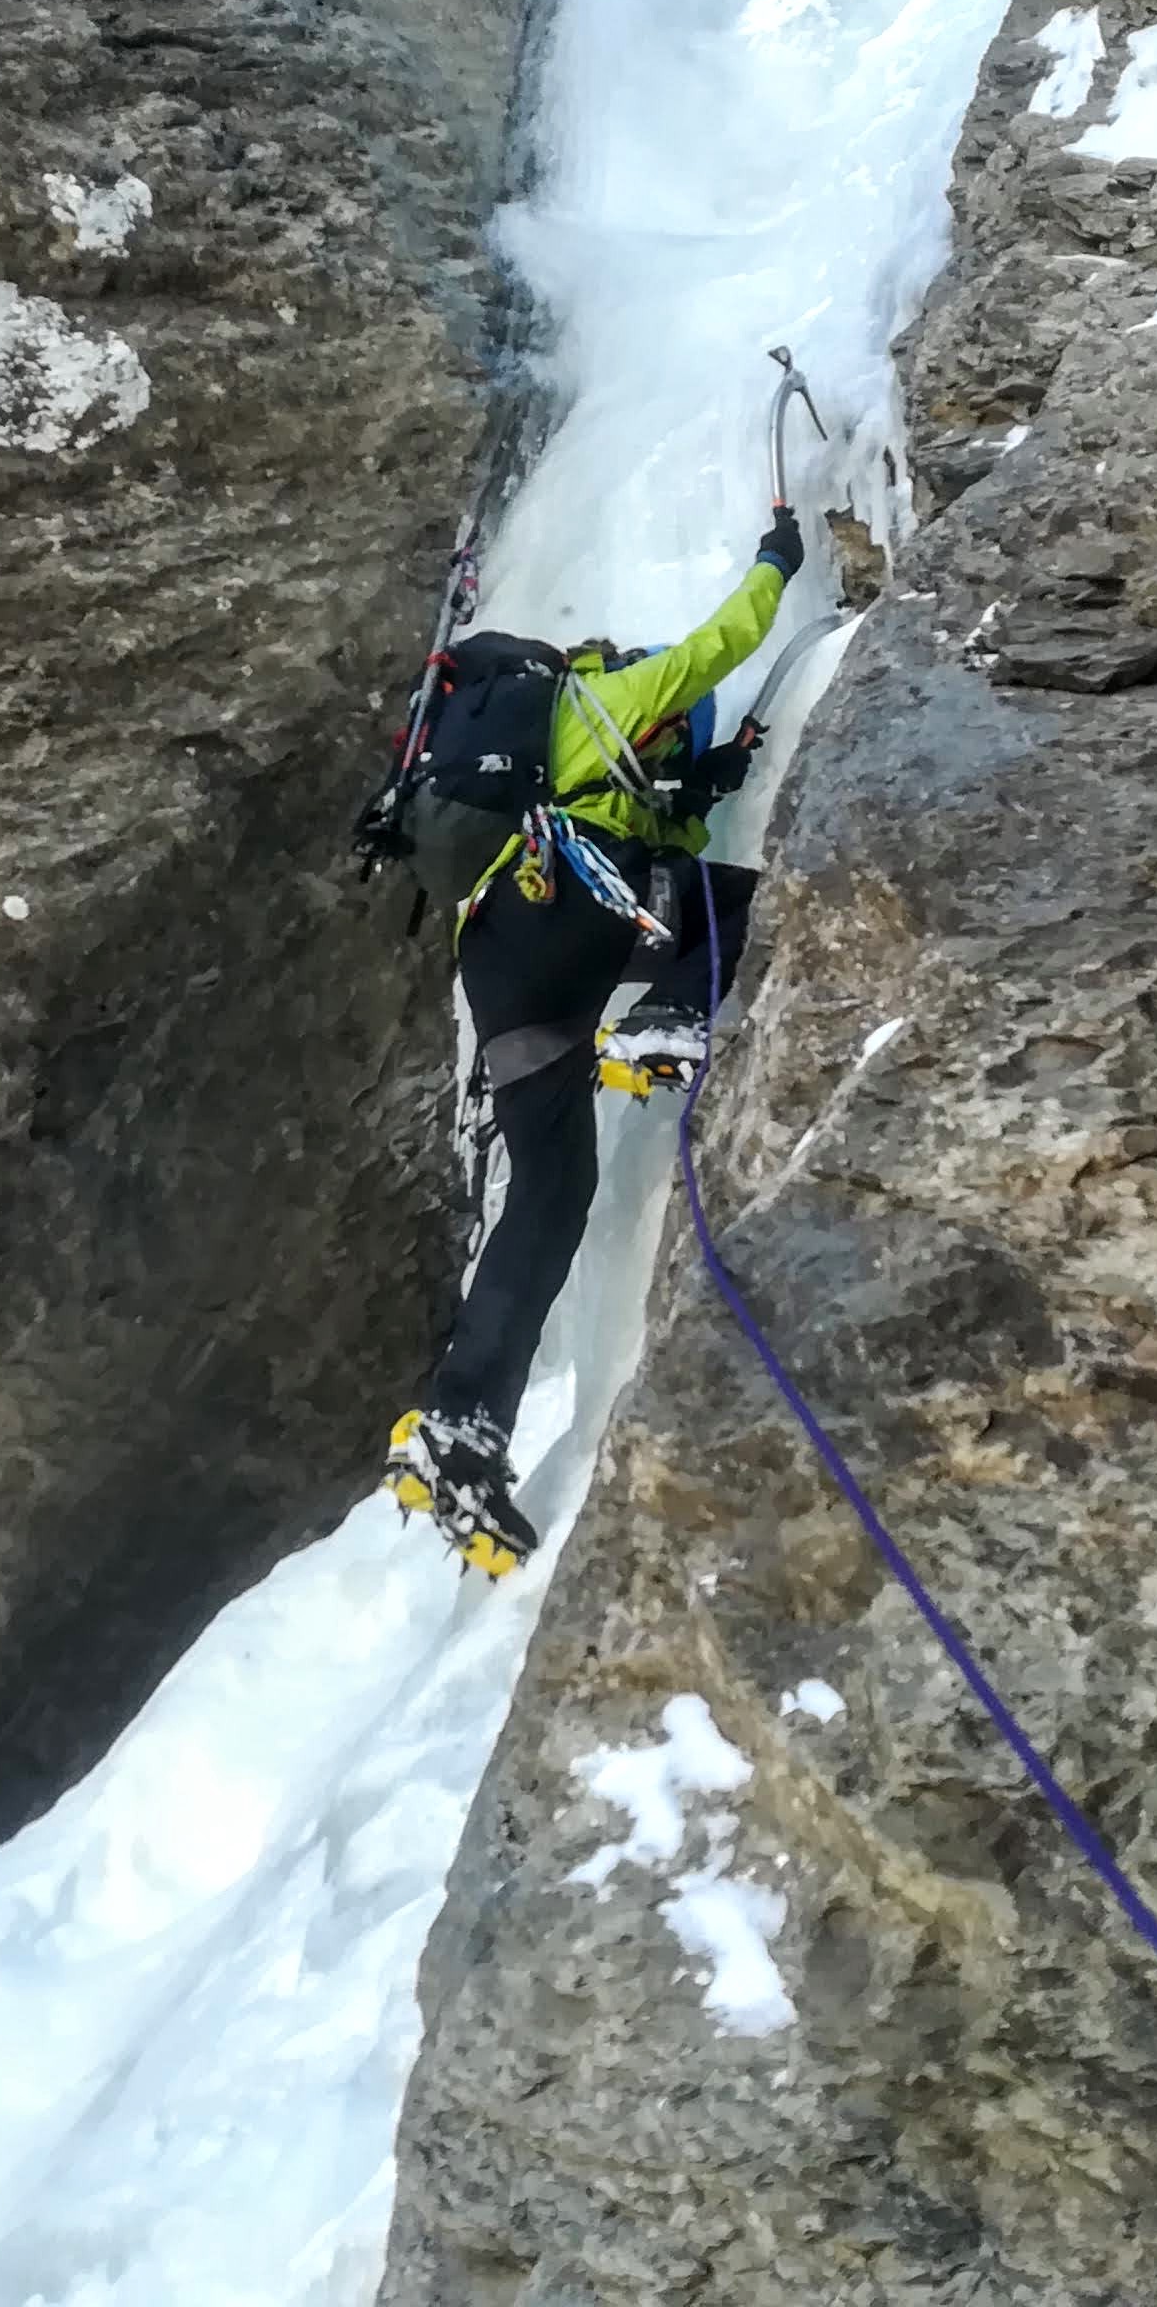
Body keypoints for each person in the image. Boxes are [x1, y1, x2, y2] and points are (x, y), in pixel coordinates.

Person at [388, 503, 803, 1571]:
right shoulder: (604, 696)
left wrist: (702, 790)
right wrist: (774, 563)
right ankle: (669, 1022)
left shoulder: (530, 764)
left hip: (501, 962)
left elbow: (657, 840)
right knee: (739, 905)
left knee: (547, 1194)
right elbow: (721, 644)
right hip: (566, 904)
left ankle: (459, 1424)